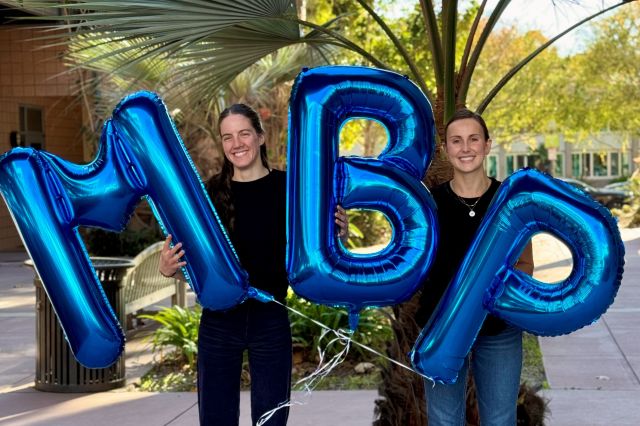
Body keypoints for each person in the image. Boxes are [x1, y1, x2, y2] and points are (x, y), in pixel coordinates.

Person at [158, 103, 347, 426]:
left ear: (260, 137)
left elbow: (317, 253)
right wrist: (168, 268)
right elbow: (194, 267)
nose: (237, 144)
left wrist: (337, 234)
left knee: (272, 419)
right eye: (227, 137)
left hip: (270, 318)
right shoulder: (209, 195)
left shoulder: (291, 190)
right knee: (216, 419)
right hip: (218, 323)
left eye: (244, 133)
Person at [416, 108, 534, 426]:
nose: (465, 148)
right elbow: (410, 260)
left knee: (499, 419)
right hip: (440, 328)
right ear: (445, 148)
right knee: (443, 421)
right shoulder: (429, 204)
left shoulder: (510, 202)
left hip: (498, 330)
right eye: (456, 141)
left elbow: (524, 265)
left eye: (473, 139)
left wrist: (491, 294)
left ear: (487, 145)